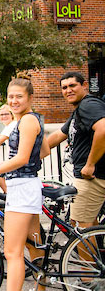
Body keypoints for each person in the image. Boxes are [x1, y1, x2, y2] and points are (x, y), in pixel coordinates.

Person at [0, 75, 49, 291]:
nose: (14, 101)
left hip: (22, 189)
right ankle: (41, 288)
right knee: (34, 243)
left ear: (30, 97)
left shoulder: (26, 121)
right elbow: (44, 151)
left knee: (12, 252)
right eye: (10, 97)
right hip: (28, 186)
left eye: (19, 97)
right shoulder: (32, 119)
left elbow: (22, 158)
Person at [47, 72, 105, 237]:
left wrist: (90, 164)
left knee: (80, 226)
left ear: (84, 85)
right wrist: (29, 155)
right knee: (90, 224)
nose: (68, 90)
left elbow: (103, 129)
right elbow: (58, 136)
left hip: (92, 177)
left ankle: (86, 264)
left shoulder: (88, 106)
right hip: (91, 176)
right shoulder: (80, 110)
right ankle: (95, 259)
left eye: (73, 86)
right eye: (64, 88)